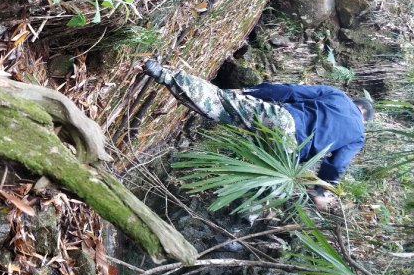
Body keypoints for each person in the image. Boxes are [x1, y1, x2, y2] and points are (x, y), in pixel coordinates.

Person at [143, 59, 374, 210]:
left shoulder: (339, 96)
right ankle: (246, 214)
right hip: (287, 155)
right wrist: (321, 191)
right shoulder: (358, 136)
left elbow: (291, 91)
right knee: (260, 189)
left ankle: (160, 72)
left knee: (220, 104)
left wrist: (248, 91)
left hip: (283, 120)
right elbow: (336, 165)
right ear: (364, 118)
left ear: (356, 103)